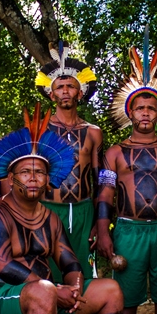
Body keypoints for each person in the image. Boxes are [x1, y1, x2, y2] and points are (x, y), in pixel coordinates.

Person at [0, 105, 124, 314]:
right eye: (25, 173)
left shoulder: (50, 218)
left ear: (48, 179)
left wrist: (73, 290)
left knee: (110, 289)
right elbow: (1, 266)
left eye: (40, 173)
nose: (33, 178)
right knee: (44, 291)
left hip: (46, 298)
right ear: (11, 179)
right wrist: (53, 290)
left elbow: (70, 263)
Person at [95, 45, 157, 314]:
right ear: (130, 113)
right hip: (128, 230)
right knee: (125, 297)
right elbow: (105, 197)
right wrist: (104, 233)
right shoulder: (114, 152)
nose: (145, 113)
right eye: (140, 108)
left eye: (151, 108)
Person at [35, 41, 104, 280]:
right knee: (48, 272)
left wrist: (99, 222)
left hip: (83, 211)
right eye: (60, 86)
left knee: (82, 272)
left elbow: (100, 180)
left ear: (80, 92)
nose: (65, 91)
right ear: (51, 93)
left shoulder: (93, 132)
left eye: (71, 86)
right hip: (47, 209)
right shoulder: (40, 131)